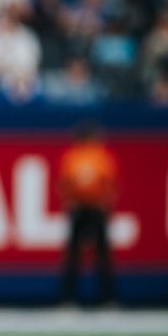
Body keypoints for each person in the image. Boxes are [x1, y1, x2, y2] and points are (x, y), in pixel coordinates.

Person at [57, 123, 120, 304]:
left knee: (94, 255)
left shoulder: (79, 156)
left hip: (88, 207)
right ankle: (103, 297)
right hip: (87, 207)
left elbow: (65, 184)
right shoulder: (95, 156)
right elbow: (110, 184)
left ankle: (73, 297)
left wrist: (70, 202)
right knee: (83, 255)